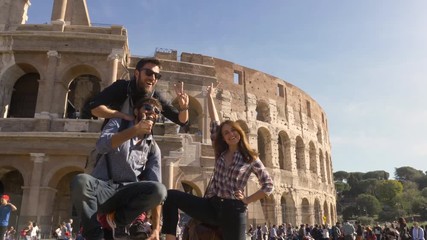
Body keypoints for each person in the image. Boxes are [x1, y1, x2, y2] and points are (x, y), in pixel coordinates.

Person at [161, 83, 274, 240]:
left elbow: (268, 185)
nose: (230, 134)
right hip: (211, 205)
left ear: (240, 133)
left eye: (233, 130)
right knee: (171, 196)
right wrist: (209, 97)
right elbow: (215, 123)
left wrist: (247, 200)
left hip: (234, 209)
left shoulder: (250, 157)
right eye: (226, 133)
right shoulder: (221, 152)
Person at [71, 97, 168, 240]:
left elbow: (157, 192)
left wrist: (156, 229)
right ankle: (94, 235)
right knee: (80, 181)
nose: (152, 112)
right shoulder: (118, 123)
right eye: (147, 108)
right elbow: (101, 145)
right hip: (104, 189)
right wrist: (135, 130)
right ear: (136, 111)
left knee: (160, 190)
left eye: (156, 111)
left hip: (127, 194)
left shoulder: (153, 147)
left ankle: (119, 221)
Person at [86, 57, 189, 127]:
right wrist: (122, 115)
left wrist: (184, 107)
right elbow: (95, 108)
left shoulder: (155, 96)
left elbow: (181, 121)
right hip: (115, 145)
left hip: (139, 148)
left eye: (157, 76)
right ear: (136, 73)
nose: (153, 78)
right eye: (149, 73)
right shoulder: (122, 87)